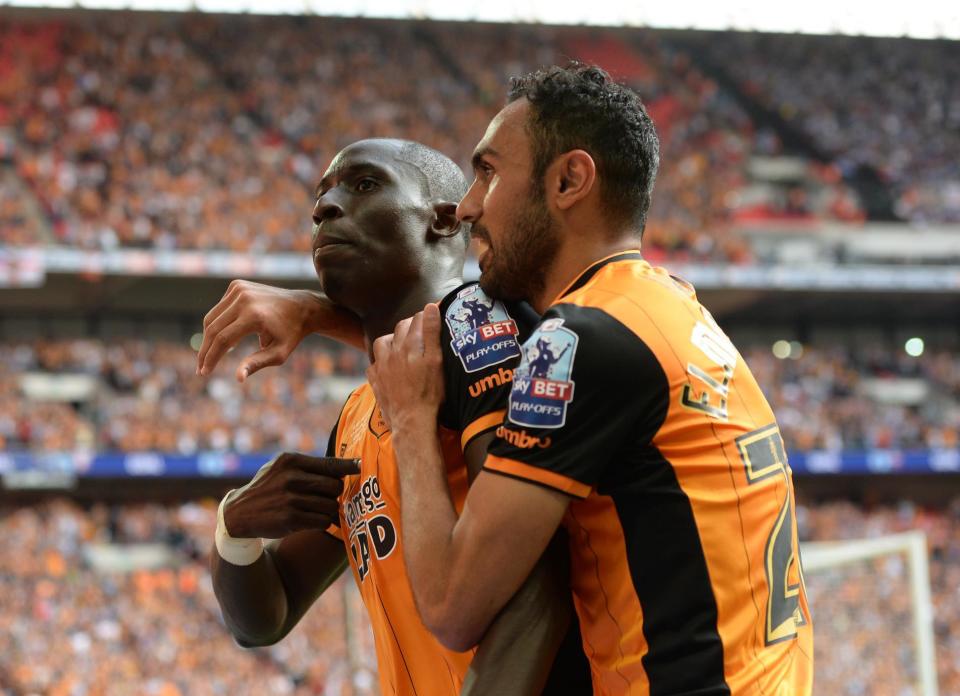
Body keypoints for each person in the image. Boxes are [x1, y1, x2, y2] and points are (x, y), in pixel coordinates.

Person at [367, 64, 814, 695]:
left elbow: (451, 605)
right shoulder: (664, 306)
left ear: (570, 180)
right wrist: (318, 313)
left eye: (489, 172)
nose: (467, 206)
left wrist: (412, 421)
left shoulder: (578, 342)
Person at [205, 138, 590, 696]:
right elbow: (267, 617)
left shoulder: (484, 332)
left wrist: (313, 311)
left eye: (363, 185)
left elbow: (537, 588)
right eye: (322, 195)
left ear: (443, 219)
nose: (324, 207)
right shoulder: (359, 412)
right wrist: (233, 530)